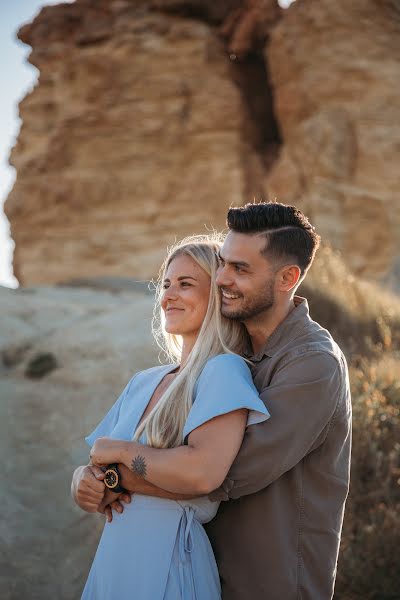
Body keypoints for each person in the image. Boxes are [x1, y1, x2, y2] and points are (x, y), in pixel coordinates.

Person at [86, 201, 351, 600]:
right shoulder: (228, 360)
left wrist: (115, 478)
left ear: (288, 277)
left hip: (269, 581)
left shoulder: (312, 363)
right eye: (224, 263)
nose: (223, 278)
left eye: (240, 269)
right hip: (199, 567)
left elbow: (222, 474)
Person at [71, 235, 270, 599]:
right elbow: (97, 464)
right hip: (116, 557)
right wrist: (83, 483)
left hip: (170, 558)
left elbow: (202, 473)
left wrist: (122, 454)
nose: (168, 296)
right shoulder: (143, 381)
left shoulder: (224, 371)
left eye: (185, 284)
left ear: (217, 296)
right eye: (165, 284)